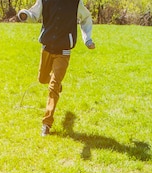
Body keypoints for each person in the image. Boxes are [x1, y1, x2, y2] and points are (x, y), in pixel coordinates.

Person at [16, 0, 96, 136]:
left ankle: (46, 123)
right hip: (46, 48)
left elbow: (86, 18)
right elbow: (33, 15)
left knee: (52, 88)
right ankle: (56, 84)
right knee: (42, 79)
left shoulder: (75, 3)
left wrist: (87, 39)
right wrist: (25, 15)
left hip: (63, 51)